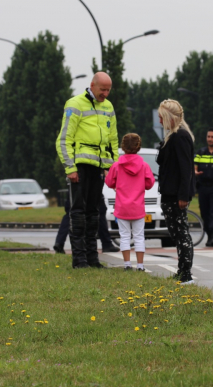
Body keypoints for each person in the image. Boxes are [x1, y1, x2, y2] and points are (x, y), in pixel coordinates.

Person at [56, 72, 119, 268]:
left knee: (94, 213)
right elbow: (64, 139)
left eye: (108, 90)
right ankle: (79, 259)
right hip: (80, 167)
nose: (105, 94)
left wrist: (112, 167)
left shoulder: (108, 106)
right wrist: (70, 167)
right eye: (102, 89)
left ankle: (93, 258)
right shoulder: (75, 104)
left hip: (98, 168)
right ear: (92, 85)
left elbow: (113, 141)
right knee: (78, 213)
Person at [155, 99, 196, 284]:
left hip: (175, 193)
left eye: (162, 118)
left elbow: (186, 168)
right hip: (169, 191)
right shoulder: (172, 136)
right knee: (176, 232)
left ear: (169, 117)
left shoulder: (180, 136)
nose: (160, 122)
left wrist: (183, 195)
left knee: (181, 232)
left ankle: (186, 273)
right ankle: (182, 271)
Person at [105, 133, 155, 271]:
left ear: (123, 146)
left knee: (124, 236)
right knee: (139, 236)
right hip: (138, 208)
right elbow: (150, 183)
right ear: (139, 147)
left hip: (122, 208)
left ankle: (127, 264)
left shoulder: (116, 166)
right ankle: (140, 265)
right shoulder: (144, 165)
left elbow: (109, 182)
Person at [53, 195, 120, 254]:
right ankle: (106, 243)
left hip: (74, 186)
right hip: (91, 185)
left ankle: (59, 242)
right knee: (99, 211)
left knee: (70, 213)